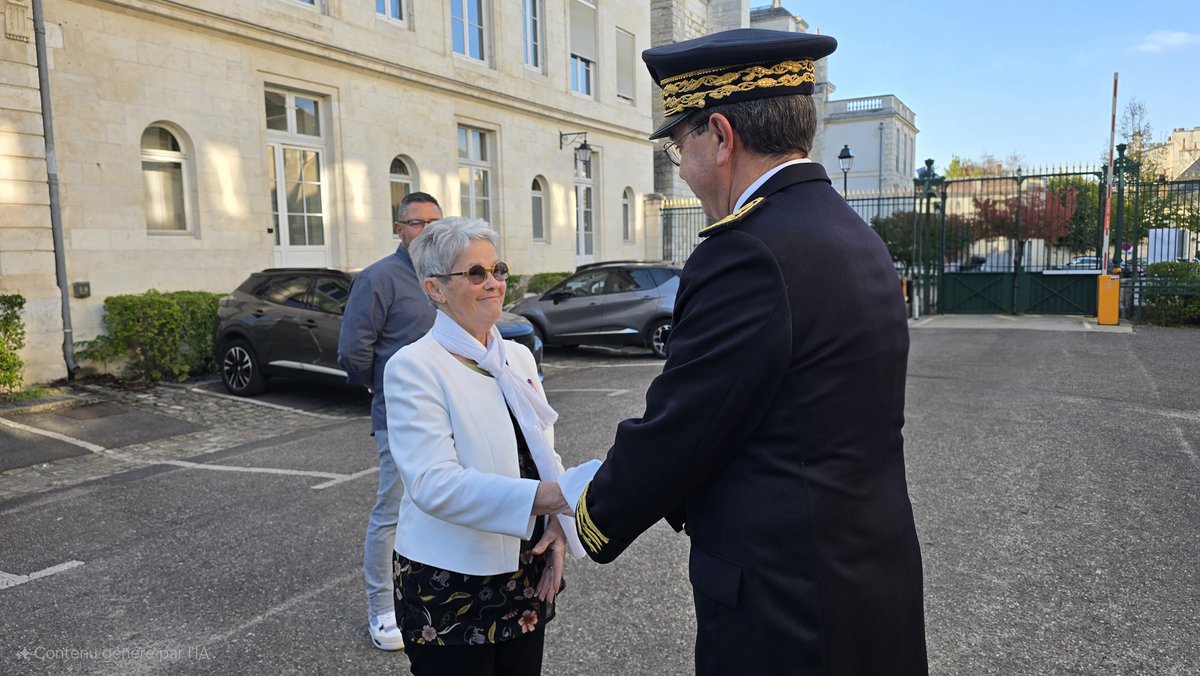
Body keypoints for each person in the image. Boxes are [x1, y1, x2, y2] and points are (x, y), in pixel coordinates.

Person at [567, 28, 929, 674]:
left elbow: (683, 426)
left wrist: (588, 513)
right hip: (870, 587)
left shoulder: (745, 254)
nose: (680, 168)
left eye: (681, 143)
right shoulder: (856, 237)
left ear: (722, 137)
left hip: (787, 615)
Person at [383, 217, 576, 675]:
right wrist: (554, 497)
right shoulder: (414, 366)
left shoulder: (517, 356)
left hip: (522, 571)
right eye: (475, 274)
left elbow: (539, 450)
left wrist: (558, 525)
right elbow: (434, 484)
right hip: (449, 582)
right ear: (435, 289)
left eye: (498, 269)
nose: (493, 283)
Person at [337, 191, 442, 651]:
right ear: (399, 228)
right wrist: (376, 386)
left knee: (441, 504)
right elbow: (353, 351)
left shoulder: (445, 274)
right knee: (392, 511)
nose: (426, 230)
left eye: (434, 222)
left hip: (449, 412)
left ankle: (430, 595)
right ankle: (382, 610)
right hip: (398, 416)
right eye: (416, 223)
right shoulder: (379, 278)